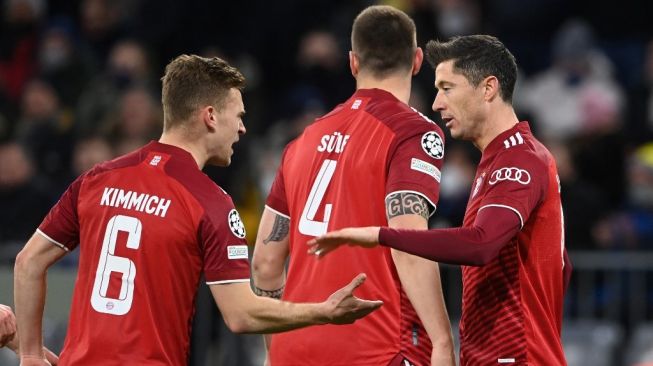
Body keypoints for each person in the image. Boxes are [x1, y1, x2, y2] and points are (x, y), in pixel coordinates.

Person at [13, 54, 382, 366]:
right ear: (210, 116)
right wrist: (325, 311)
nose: (242, 128)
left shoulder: (98, 179)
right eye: (237, 115)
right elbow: (241, 314)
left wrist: (30, 355)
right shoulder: (210, 202)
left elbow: (29, 262)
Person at [309, 35, 572, 365]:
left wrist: (380, 235)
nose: (436, 103)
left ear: (488, 88)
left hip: (515, 357)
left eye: (448, 88)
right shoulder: (503, 159)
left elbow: (480, 244)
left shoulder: (518, 159)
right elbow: (562, 265)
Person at [252, 6, 454, 366]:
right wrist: (442, 341)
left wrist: (278, 350)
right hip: (375, 348)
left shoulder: (303, 140)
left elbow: (265, 263)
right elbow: (408, 243)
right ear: (418, 60)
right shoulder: (413, 133)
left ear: (352, 63)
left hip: (294, 350)